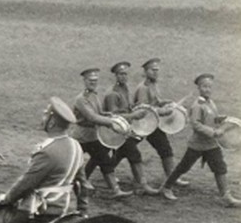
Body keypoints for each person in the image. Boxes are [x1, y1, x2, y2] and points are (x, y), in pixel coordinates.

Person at [161, 73, 240, 207]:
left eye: (209, 87)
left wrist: (221, 119)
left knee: (220, 167)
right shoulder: (197, 105)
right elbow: (196, 124)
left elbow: (212, 117)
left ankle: (226, 196)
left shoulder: (210, 102)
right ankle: (166, 187)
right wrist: (213, 132)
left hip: (211, 145)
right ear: (199, 88)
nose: (207, 89)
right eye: (204, 87)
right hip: (197, 145)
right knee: (183, 167)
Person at [71, 67, 131, 199]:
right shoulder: (81, 99)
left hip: (93, 136)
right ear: (85, 81)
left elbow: (98, 114)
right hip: (81, 137)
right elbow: (91, 117)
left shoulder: (94, 96)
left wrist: (107, 114)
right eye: (91, 80)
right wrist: (111, 123)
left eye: (95, 80)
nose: (93, 83)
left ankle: (115, 190)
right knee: (72, 164)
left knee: (105, 161)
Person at [102, 61, 160, 195]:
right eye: (121, 74)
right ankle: (142, 185)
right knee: (134, 155)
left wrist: (137, 109)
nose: (124, 77)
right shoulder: (113, 93)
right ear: (115, 76)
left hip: (125, 129)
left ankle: (96, 176)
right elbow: (115, 117)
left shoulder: (125, 88)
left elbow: (127, 107)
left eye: (126, 74)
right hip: (117, 131)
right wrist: (134, 115)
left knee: (108, 157)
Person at [133, 57, 186, 186]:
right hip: (141, 125)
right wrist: (163, 111)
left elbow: (156, 101)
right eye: (152, 70)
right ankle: (108, 169)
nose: (156, 73)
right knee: (126, 148)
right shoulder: (143, 88)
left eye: (157, 70)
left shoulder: (153, 84)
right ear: (145, 72)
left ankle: (171, 178)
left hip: (152, 125)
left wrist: (166, 102)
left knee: (165, 149)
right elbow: (144, 109)